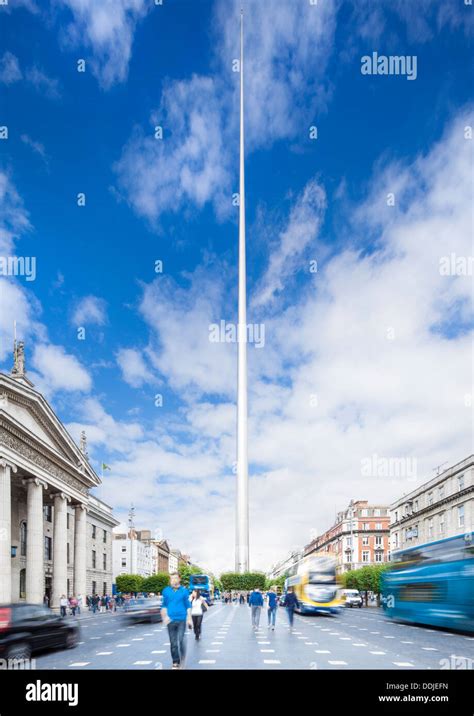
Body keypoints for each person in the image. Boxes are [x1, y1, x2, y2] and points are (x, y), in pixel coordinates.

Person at [161, 573, 192, 670]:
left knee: (181, 639)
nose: (173, 580)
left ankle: (182, 656)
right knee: (173, 642)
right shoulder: (166, 591)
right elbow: (164, 605)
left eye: (175, 578)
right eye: (171, 578)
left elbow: (188, 606)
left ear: (179, 579)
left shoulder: (184, 591)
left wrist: (189, 618)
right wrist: (164, 616)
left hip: (182, 619)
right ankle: (175, 661)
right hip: (170, 620)